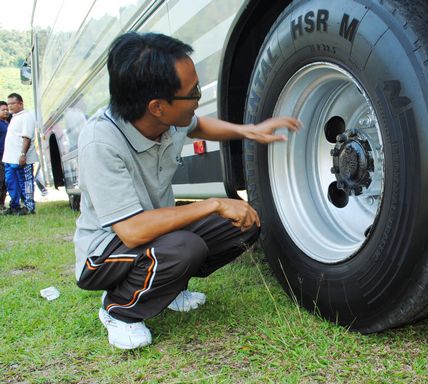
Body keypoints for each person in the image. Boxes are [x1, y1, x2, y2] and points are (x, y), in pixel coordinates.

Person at [73, 32, 301, 350]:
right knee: (184, 248)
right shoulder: (101, 142)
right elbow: (133, 231)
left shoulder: (168, 120)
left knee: (243, 223)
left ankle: (168, 288)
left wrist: (248, 130)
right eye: (193, 92)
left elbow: (197, 125)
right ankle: (119, 310)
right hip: (105, 252)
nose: (197, 97)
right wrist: (213, 204)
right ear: (157, 107)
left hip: (154, 232)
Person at [3, 93, 37, 215]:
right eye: (8, 104)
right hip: (9, 159)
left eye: (13, 103)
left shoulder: (27, 116)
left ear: (21, 104)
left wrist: (23, 154)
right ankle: (15, 206)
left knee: (26, 183)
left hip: (22, 159)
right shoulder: (14, 117)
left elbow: (27, 137)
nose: (10, 106)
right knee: (11, 183)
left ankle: (29, 207)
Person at [0, 101, 9, 211]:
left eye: (7, 109)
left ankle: (1, 204)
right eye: (3, 110)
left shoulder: (6, 123)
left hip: (6, 156)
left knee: (5, 182)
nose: (6, 111)